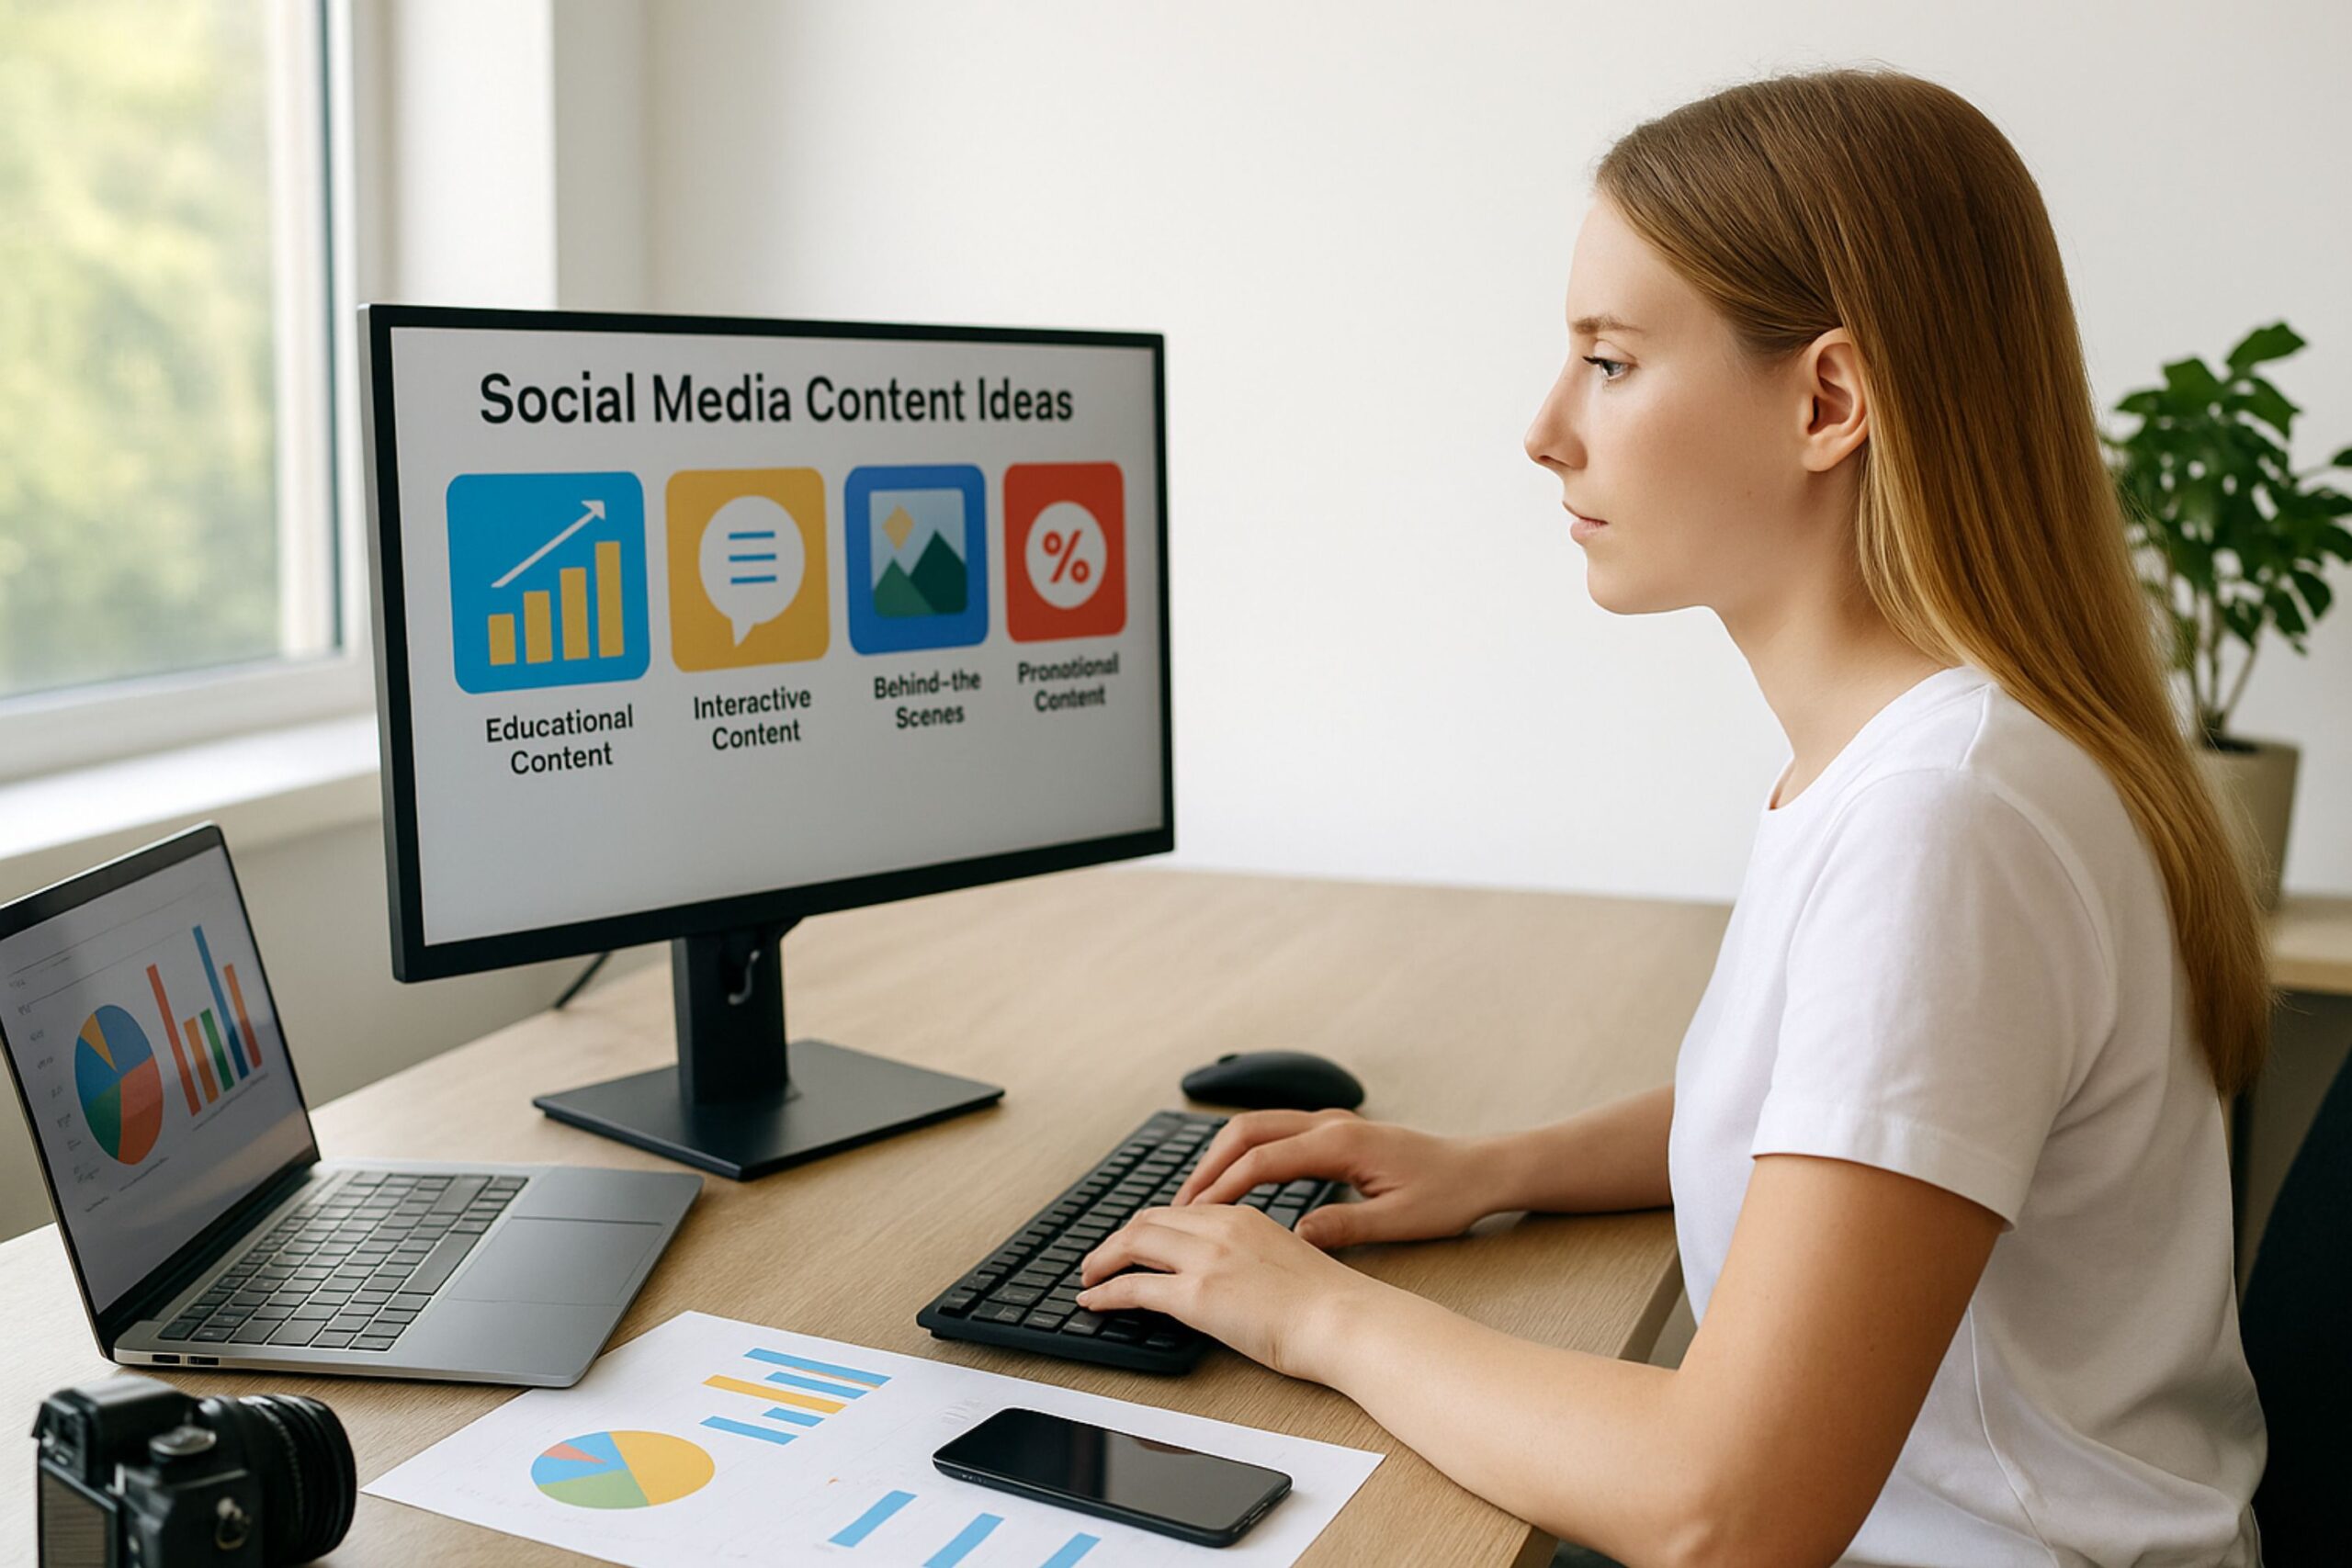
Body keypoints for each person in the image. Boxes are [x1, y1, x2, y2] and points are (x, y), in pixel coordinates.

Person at [1074, 67, 2270, 1568]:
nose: (1545, 429)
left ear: (1827, 399)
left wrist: (1308, 1309)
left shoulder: (1947, 823)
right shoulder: (1931, 758)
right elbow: (1841, 1112)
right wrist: (1498, 1167)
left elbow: (1729, 1507)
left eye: (1610, 361)